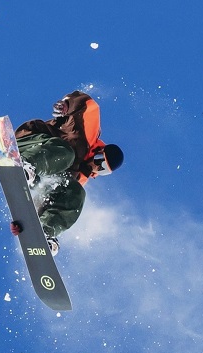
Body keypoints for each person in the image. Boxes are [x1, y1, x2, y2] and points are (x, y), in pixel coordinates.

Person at [10, 90, 124, 256]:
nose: (96, 167)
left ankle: (45, 232)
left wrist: (26, 224)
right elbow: (88, 104)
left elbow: (50, 197)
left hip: (35, 177)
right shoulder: (87, 136)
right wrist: (67, 105)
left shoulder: (80, 177)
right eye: (100, 159)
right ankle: (27, 166)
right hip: (31, 143)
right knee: (67, 154)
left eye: (103, 169)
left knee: (75, 192)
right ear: (99, 150)